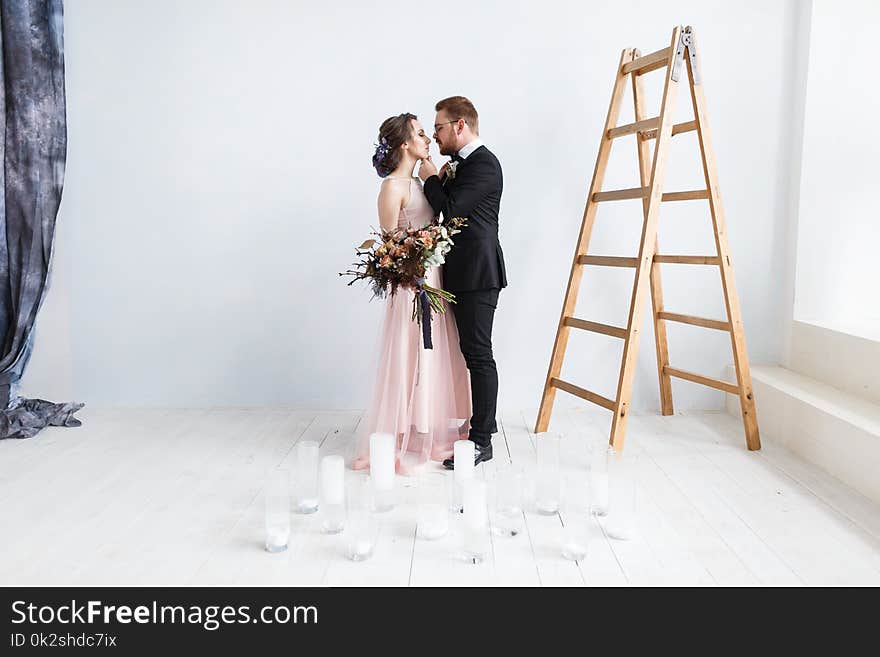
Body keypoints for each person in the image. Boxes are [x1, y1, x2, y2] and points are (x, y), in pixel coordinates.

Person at [351, 113, 471, 474]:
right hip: (411, 286)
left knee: (433, 356)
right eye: (421, 133)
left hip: (434, 279)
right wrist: (414, 259)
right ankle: (398, 435)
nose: (428, 138)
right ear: (404, 143)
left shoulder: (420, 182)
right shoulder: (393, 186)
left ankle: (426, 431)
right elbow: (387, 246)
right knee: (408, 354)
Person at [417, 96, 507, 469]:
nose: (435, 135)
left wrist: (431, 177)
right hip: (459, 274)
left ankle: (482, 440)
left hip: (479, 274)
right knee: (468, 353)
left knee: (478, 354)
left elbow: (449, 209)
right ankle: (482, 424)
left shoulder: (485, 164)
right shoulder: (464, 165)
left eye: (438, 127)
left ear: (459, 126)